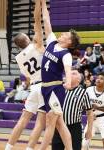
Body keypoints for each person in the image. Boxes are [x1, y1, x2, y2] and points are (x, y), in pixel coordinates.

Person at [39, 0, 80, 149]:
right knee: (60, 124)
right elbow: (46, 20)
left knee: (50, 122)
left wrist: (68, 82)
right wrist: (43, 3)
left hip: (56, 89)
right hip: (45, 88)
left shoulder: (66, 54)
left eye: (65, 34)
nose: (62, 34)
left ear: (69, 42)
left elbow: (68, 71)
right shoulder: (52, 42)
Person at [5, 1, 46, 150]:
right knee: (40, 122)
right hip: (44, 85)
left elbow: (27, 77)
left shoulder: (18, 58)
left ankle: (8, 147)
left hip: (33, 87)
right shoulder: (37, 45)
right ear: (27, 39)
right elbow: (37, 22)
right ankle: (29, 149)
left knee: (23, 120)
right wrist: (39, 5)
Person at [52, 69, 93, 150]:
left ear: (79, 79)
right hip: (59, 126)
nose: (70, 74)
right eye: (69, 73)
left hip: (74, 128)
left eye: (73, 73)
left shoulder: (83, 93)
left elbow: (90, 113)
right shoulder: (60, 89)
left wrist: (89, 130)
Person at [83, 72, 104, 150]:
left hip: (103, 118)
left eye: (101, 79)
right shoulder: (89, 89)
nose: (98, 80)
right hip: (91, 119)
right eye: (97, 78)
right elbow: (83, 104)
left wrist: (98, 108)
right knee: (84, 144)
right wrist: (89, 112)